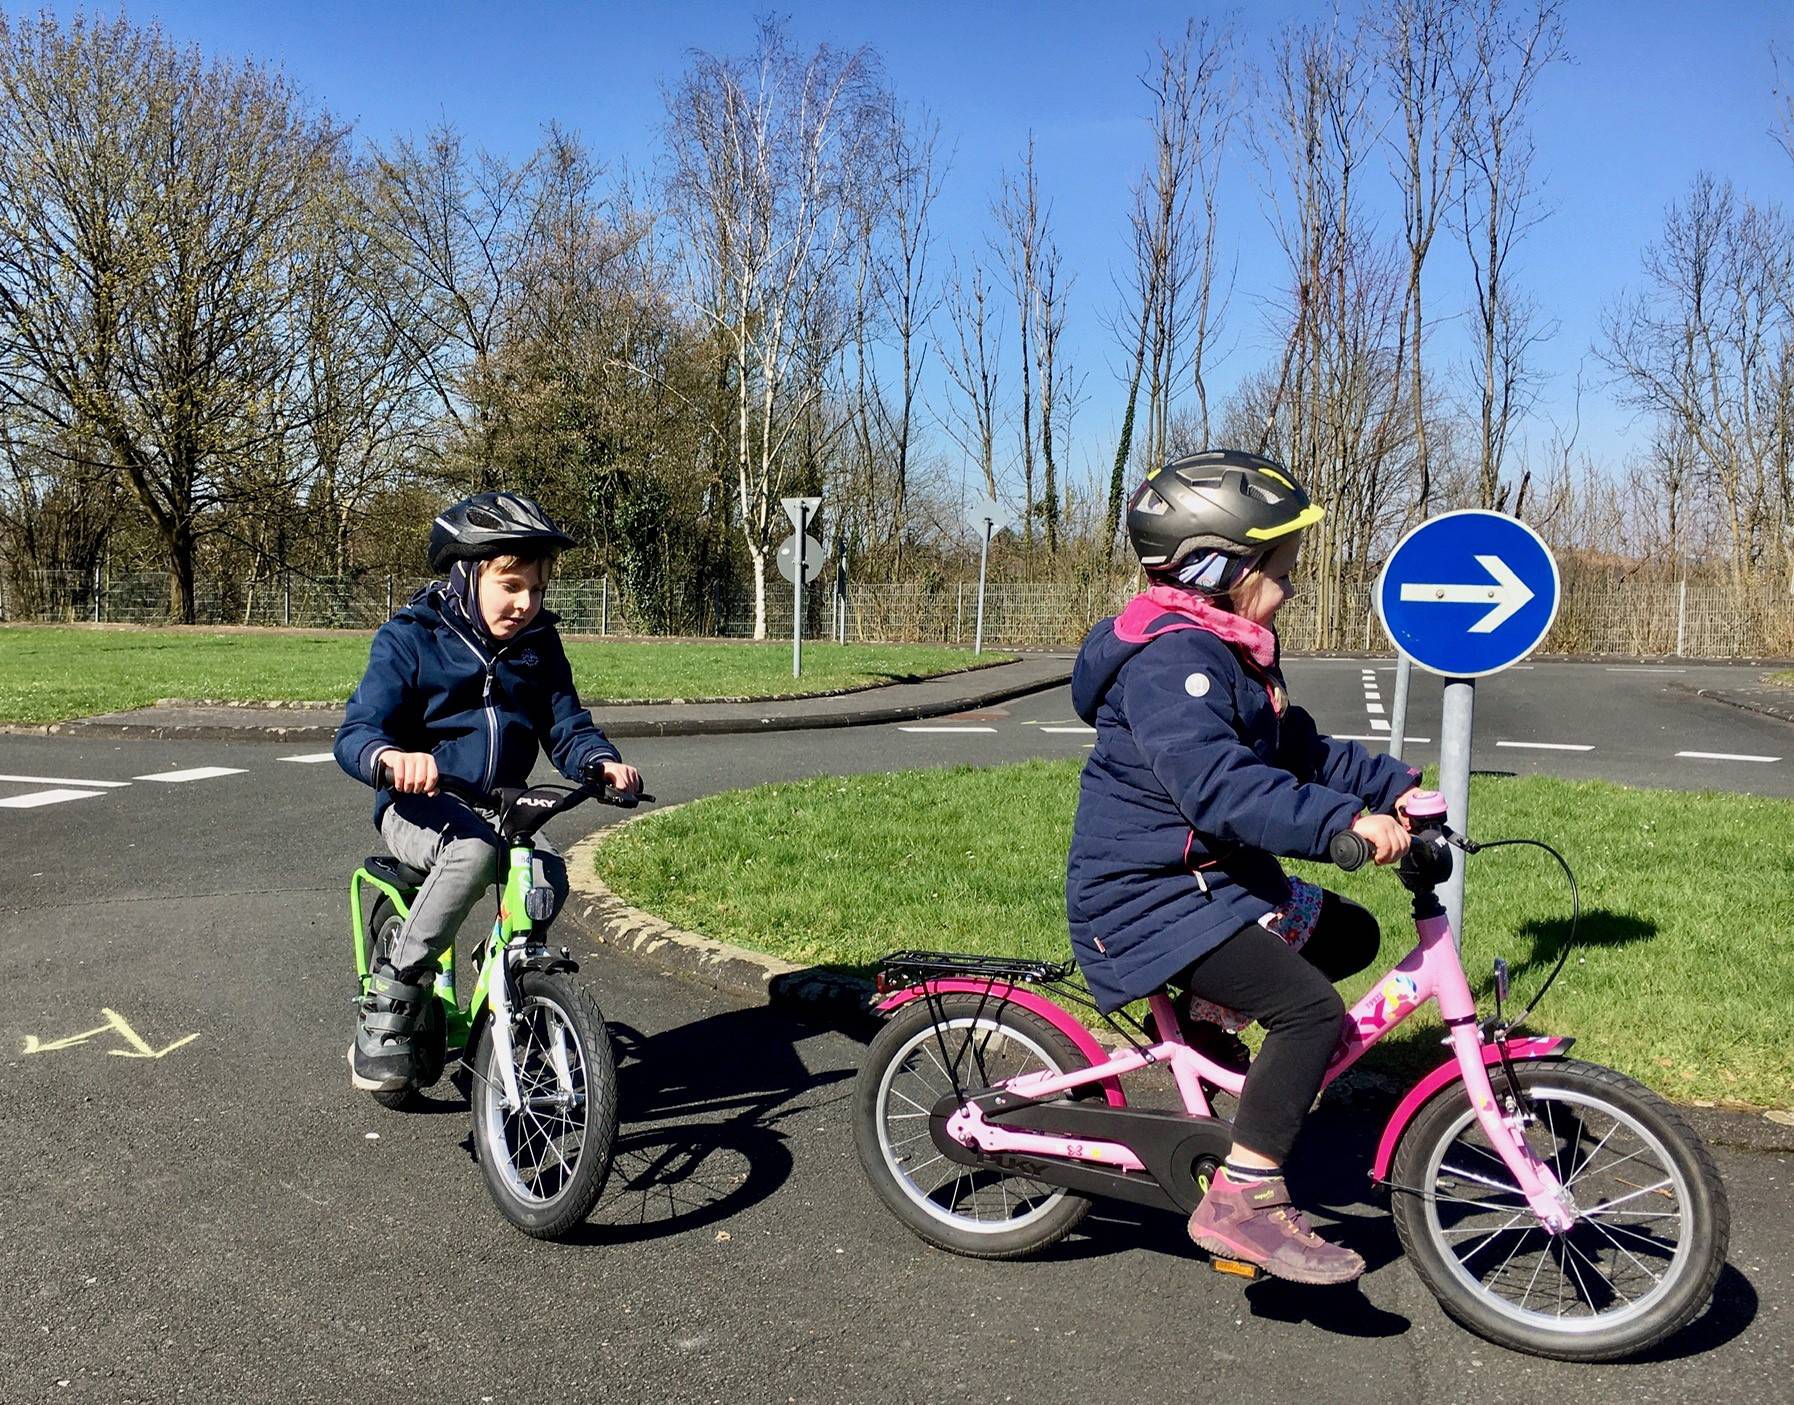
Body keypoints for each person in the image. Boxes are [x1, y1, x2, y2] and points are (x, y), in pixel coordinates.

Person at [1065, 448, 1420, 1285]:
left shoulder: (1232, 652)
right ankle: (1242, 1197)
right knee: (1306, 1010)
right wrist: (1344, 827)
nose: (1291, 588)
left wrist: (1395, 790)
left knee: (1348, 932)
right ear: (1217, 567)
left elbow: (1297, 752)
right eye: (1282, 570)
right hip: (1147, 899)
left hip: (1210, 881)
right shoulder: (1172, 664)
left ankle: (1207, 1025)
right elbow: (1222, 788)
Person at [334, 491, 642, 1092]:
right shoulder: (411, 638)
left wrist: (601, 763)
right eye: (510, 587)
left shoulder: (539, 647)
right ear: (468, 575)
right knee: (472, 855)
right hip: (418, 806)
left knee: (547, 871)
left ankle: (510, 980)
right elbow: (356, 733)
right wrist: (392, 758)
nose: (525, 604)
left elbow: (565, 726)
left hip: (500, 806)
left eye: (536, 589)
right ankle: (392, 997)